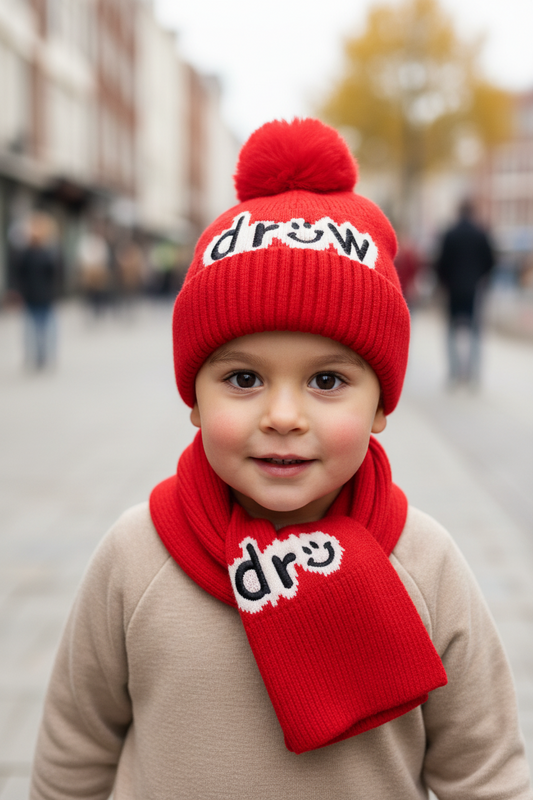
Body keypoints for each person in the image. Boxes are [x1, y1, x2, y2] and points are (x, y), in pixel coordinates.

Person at [30, 120, 532, 799]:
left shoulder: (423, 565)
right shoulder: (138, 558)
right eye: (243, 379)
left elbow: (485, 774)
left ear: (381, 408)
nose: (284, 415)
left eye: (327, 380)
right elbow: (73, 755)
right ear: (194, 399)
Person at [435, 200, 495, 386]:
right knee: (475, 331)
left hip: (453, 289)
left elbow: (440, 263)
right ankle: (473, 373)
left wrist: (446, 282)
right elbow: (491, 261)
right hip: (474, 289)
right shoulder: (481, 234)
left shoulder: (450, 234)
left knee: (452, 331)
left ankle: (454, 372)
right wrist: (479, 278)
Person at [16, 212, 60, 370]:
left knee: (37, 328)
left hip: (39, 296)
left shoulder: (33, 253)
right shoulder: (37, 254)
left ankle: (40, 356)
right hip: (38, 296)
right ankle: (40, 356)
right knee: (39, 328)